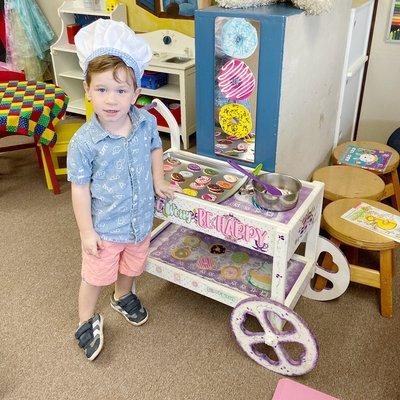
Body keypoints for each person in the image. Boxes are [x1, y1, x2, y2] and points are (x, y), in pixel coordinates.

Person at [67, 19, 180, 361]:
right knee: (94, 275)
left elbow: (154, 148)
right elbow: (80, 191)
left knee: (133, 265)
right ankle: (85, 321)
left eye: (120, 91)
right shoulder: (84, 142)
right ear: (87, 90)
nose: (111, 100)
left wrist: (159, 181)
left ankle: (122, 296)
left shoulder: (145, 121)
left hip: (140, 220)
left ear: (135, 91)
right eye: (102, 90)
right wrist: (86, 232)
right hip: (105, 229)